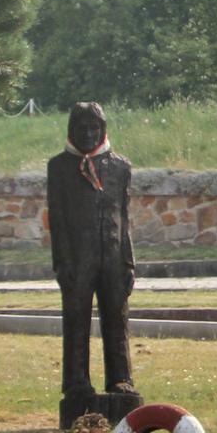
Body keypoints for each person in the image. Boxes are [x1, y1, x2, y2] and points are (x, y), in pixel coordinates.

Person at [46, 102, 136, 401]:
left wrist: (128, 263)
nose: (88, 134)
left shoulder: (120, 167)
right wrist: (62, 263)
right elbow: (57, 220)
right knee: (76, 319)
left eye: (94, 128)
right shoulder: (59, 167)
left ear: (104, 130)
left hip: (112, 256)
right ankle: (76, 382)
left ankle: (120, 379)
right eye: (81, 128)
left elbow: (124, 218)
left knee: (116, 317)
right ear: (71, 131)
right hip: (77, 259)